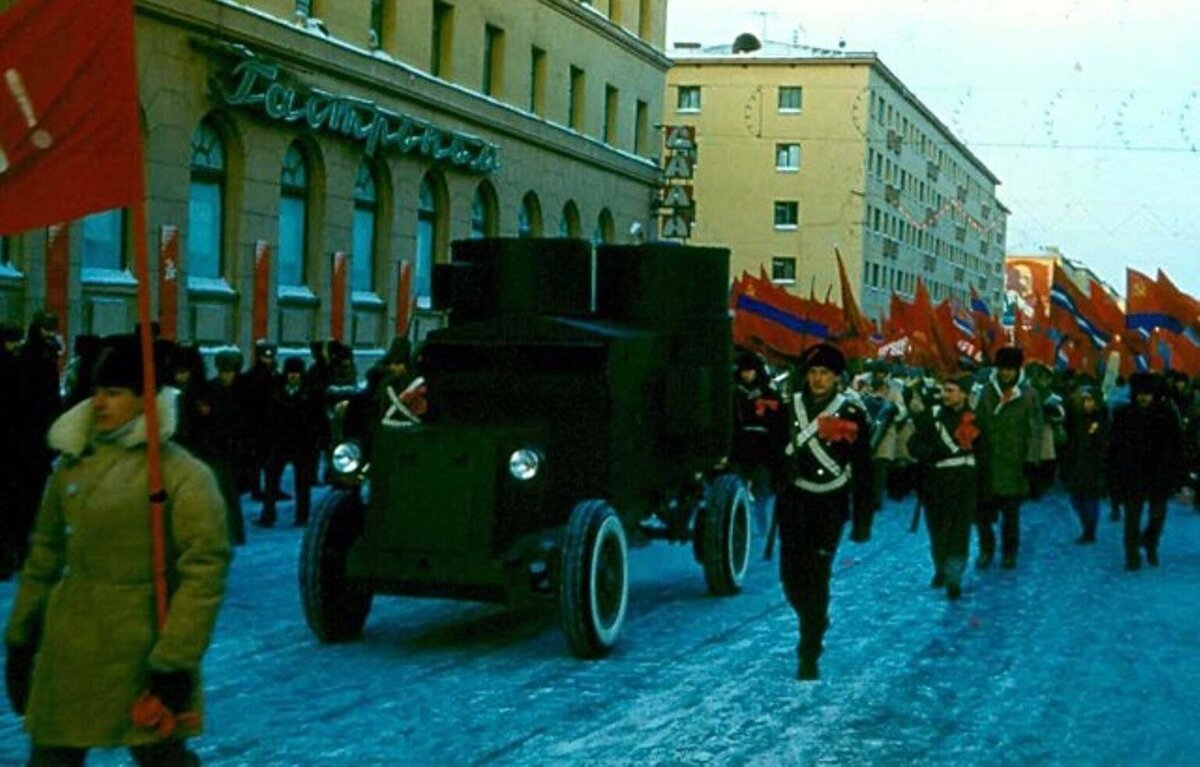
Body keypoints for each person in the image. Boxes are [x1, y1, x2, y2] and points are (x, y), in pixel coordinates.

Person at [4, 333, 231, 766]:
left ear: (146, 398)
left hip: (141, 649)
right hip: (68, 647)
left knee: (160, 758)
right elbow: (44, 557)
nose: (100, 403)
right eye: (95, 392)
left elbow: (204, 570)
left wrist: (175, 661)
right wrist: (20, 636)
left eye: (114, 392)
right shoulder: (73, 463)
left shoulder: (181, 474)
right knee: (51, 755)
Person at [775, 343, 873, 681]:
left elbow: (864, 469)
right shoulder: (789, 408)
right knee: (790, 579)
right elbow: (772, 452)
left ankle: (809, 651)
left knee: (816, 576)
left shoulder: (851, 414)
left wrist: (863, 520)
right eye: (813, 373)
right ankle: (814, 617)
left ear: (836, 379)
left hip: (829, 505)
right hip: (794, 502)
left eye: (825, 374)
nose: (818, 380)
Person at [907, 370, 982, 600]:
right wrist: (929, 454)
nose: (944, 395)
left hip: (964, 484)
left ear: (965, 395)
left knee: (959, 532)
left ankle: (954, 576)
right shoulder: (931, 416)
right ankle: (941, 566)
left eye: (950, 391)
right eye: (943, 390)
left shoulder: (977, 419)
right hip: (936, 483)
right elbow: (913, 445)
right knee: (938, 531)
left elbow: (984, 453)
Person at [1107, 372, 1186, 570]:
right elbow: (1114, 448)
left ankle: (1150, 542)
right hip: (1132, 475)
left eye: (1148, 393)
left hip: (1158, 475)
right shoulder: (1123, 415)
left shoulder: (1166, 415)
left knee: (1157, 516)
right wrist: (1113, 475)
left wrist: (1177, 474)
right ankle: (1131, 554)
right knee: (1132, 519)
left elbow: (1177, 446)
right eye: (1140, 393)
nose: (1143, 397)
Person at [973, 346, 1042, 570]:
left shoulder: (1029, 394)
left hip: (1015, 464)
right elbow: (976, 422)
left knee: (1011, 516)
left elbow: (1035, 429)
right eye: (1002, 368)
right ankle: (986, 550)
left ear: (1017, 369)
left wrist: (1032, 459)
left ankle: (1009, 553)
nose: (1006, 374)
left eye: (1010, 369)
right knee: (983, 515)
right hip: (987, 462)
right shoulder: (985, 392)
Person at [256, 356, 329, 528]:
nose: (293, 376)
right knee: (271, 481)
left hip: (302, 444)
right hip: (278, 442)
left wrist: (322, 441)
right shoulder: (275, 389)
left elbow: (319, 418)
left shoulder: (312, 392)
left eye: (296, 373)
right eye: (290, 373)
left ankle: (302, 516)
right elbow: (266, 416)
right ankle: (268, 515)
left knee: (302, 483)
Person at [730, 350, 787, 537]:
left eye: (750, 371)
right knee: (738, 489)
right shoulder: (733, 395)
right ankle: (740, 527)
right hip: (740, 448)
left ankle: (761, 527)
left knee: (762, 491)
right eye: (744, 371)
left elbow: (780, 424)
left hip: (764, 450)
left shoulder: (770, 395)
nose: (747, 375)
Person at [1060, 386, 1109, 544]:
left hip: (1094, 467)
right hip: (1077, 465)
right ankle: (1086, 526)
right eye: (1085, 400)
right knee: (1076, 500)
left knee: (1091, 500)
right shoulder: (1076, 419)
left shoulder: (1102, 420)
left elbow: (1105, 445)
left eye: (1090, 400)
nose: (1087, 404)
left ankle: (1090, 531)